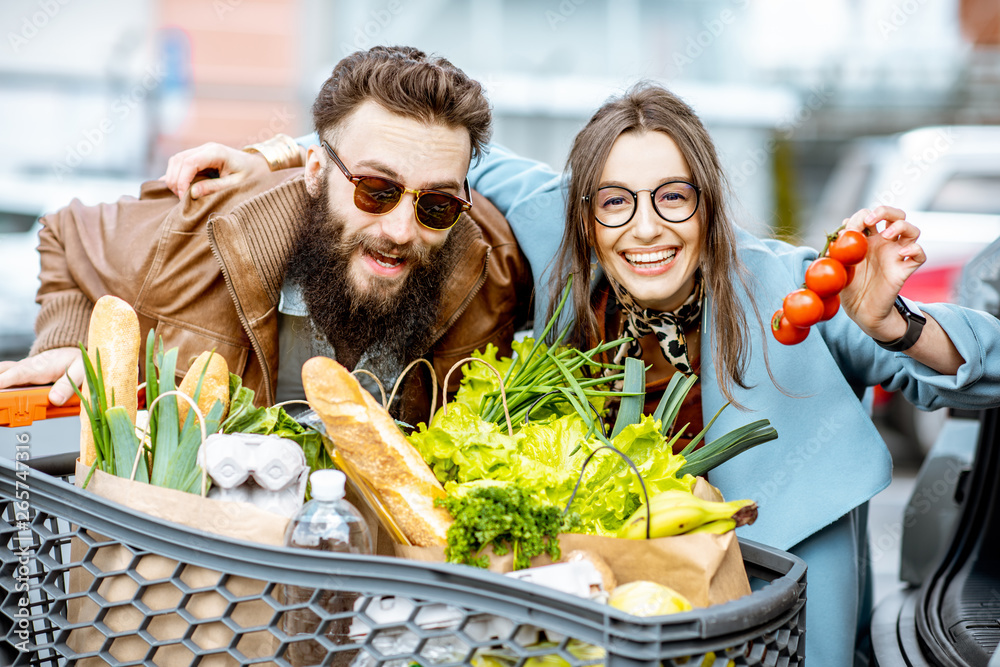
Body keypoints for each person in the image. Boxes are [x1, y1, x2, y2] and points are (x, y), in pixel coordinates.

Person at [162, 83, 1000, 666]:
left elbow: (975, 373)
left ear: (706, 204)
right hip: (607, 611)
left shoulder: (794, 289)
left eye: (674, 198)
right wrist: (274, 154)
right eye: (616, 202)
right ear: (587, 213)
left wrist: (895, 321)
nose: (646, 229)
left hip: (778, 615)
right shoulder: (559, 239)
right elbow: (432, 155)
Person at [0, 46, 534, 427]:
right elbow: (64, 235)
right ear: (315, 171)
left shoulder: (499, 267)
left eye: (436, 205)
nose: (400, 230)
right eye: (375, 189)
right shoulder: (195, 236)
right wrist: (69, 341)